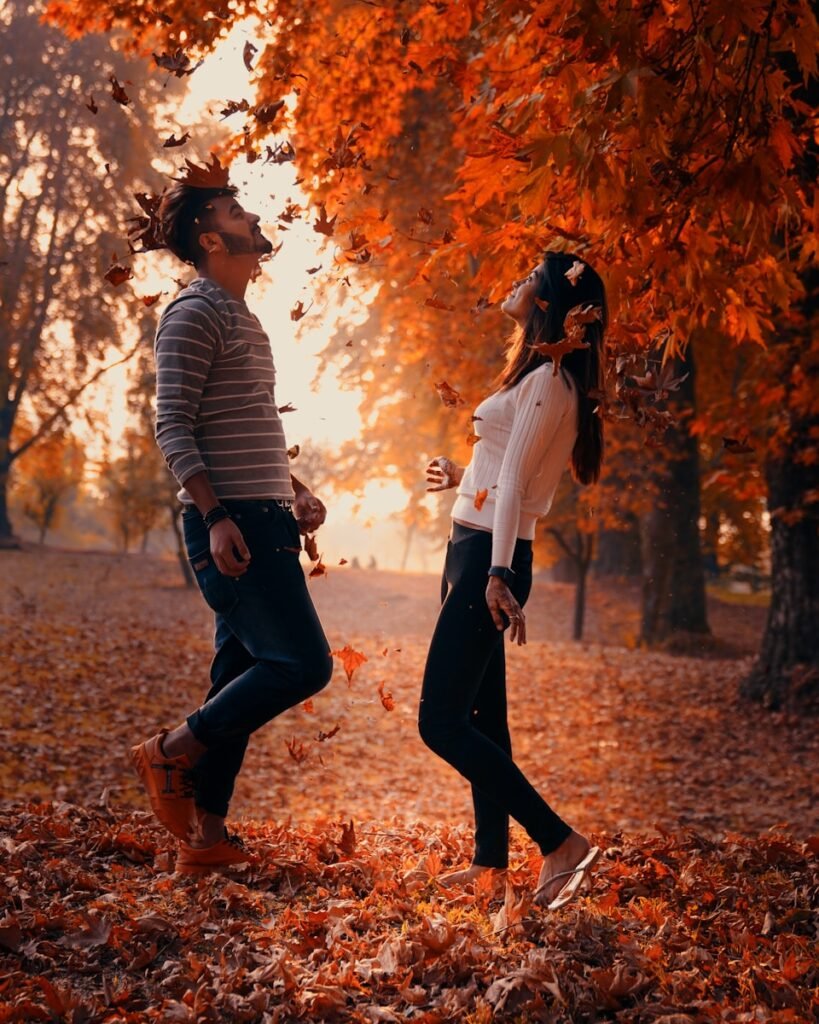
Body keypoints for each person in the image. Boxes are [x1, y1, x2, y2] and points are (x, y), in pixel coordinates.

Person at [130, 166, 333, 874]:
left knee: (238, 673)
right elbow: (173, 427)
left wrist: (295, 491)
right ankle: (167, 753)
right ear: (212, 237)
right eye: (235, 210)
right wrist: (216, 518)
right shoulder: (193, 312)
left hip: (261, 515)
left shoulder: (240, 315)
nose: (252, 216)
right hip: (231, 523)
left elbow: (241, 429)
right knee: (303, 664)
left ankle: (207, 838)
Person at [419, 251, 606, 909]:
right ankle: (489, 862)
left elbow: (519, 490)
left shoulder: (550, 380)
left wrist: (497, 573)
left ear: (550, 299)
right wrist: (461, 474)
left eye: (529, 274)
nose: (516, 280)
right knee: (481, 716)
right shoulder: (533, 375)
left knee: (438, 721)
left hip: (487, 561)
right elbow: (501, 473)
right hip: (470, 546)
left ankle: (557, 841)